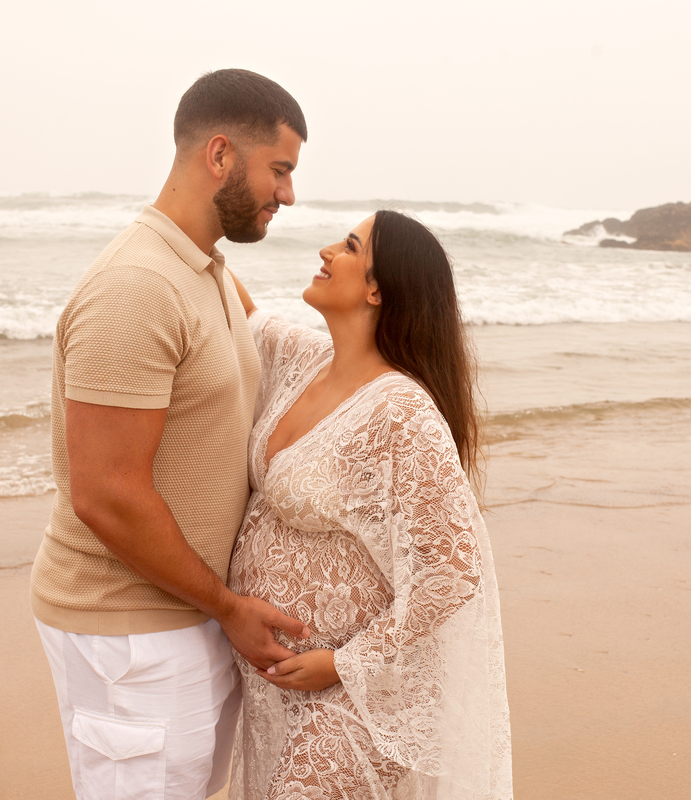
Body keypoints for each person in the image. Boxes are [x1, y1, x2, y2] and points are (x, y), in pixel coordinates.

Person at [30, 69, 312, 800]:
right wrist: (227, 608)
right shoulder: (137, 286)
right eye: (279, 169)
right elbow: (106, 493)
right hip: (129, 633)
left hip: (186, 614)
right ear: (220, 155)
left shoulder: (206, 269)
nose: (288, 193)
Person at [226, 211, 512, 800]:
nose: (329, 250)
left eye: (351, 246)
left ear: (378, 289)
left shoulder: (402, 411)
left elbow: (453, 570)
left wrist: (345, 664)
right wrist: (188, 229)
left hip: (356, 698)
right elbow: (244, 313)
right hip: (276, 686)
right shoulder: (304, 360)